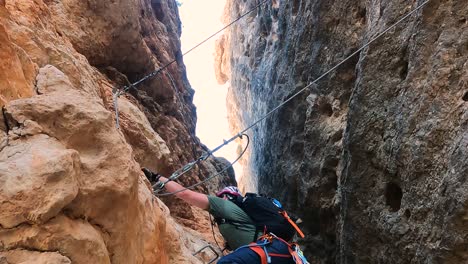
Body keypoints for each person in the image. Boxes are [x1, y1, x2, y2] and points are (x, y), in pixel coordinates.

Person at [142, 168, 302, 264]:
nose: (218, 197)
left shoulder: (223, 205)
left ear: (227, 196)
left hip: (267, 252)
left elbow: (185, 193)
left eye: (221, 195)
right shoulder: (240, 217)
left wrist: (156, 177)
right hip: (278, 254)